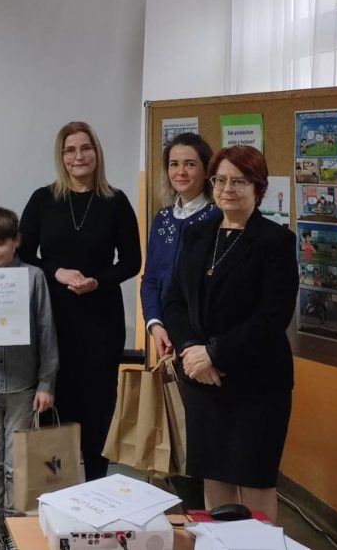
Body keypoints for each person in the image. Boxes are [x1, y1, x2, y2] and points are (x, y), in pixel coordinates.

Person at [162, 145, 298, 522]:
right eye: (220, 180)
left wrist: (214, 354)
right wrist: (192, 349)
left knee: (254, 482)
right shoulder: (197, 234)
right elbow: (173, 300)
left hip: (256, 384)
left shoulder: (275, 241)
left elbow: (272, 317)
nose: (227, 189)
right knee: (215, 478)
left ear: (258, 187)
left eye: (239, 181)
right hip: (202, 381)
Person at [18, 121, 141, 481]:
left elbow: (132, 261)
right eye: (70, 150)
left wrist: (97, 281)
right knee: (55, 402)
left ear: (96, 152)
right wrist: (56, 271)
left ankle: (95, 486)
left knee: (97, 407)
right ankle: (55, 487)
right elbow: (22, 254)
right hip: (52, 318)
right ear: (61, 157)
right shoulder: (43, 199)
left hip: (101, 320)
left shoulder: (115, 201)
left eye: (86, 148)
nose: (79, 156)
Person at [0, 207, 58, 550]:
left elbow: (47, 332)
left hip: (23, 385)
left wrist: (46, 383)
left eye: (0, 243)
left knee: (16, 463)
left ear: (16, 241)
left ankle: (16, 528)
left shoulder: (34, 278)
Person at [140, 133, 217, 509]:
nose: (181, 171)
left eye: (190, 164)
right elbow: (151, 279)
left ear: (206, 170)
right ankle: (188, 511)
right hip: (166, 340)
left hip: (200, 343)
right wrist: (155, 325)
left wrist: (188, 337)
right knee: (174, 435)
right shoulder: (163, 219)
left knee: (201, 439)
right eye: (174, 164)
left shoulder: (216, 218)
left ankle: (205, 514)